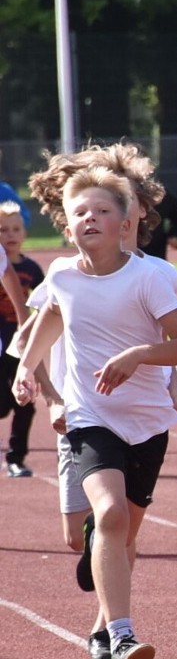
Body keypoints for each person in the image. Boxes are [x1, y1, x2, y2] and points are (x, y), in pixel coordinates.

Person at [14, 166, 177, 659]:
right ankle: (121, 635)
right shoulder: (63, 276)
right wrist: (27, 371)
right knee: (113, 515)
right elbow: (52, 316)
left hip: (147, 422)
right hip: (90, 415)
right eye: (79, 213)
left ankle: (101, 622)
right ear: (67, 228)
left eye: (102, 210)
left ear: (127, 223)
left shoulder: (150, 277)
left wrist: (141, 357)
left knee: (121, 532)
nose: (90, 218)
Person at [0, 202, 43, 476]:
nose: (10, 235)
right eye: (3, 230)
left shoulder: (33, 269)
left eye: (16, 229)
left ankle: (16, 458)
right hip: (0, 341)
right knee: (3, 405)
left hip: (22, 343)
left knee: (25, 401)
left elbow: (44, 306)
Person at [142, 188, 177, 259]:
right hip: (127, 250)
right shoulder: (124, 194)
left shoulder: (160, 195)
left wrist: (175, 234)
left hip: (156, 249)